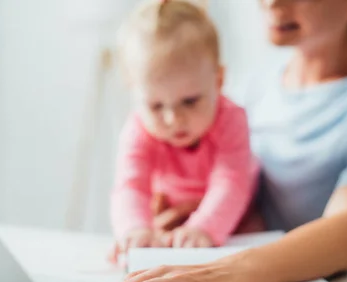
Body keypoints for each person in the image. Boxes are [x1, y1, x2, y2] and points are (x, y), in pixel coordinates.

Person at [82, 0, 347, 282]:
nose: (270, 3)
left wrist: (233, 270)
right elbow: (235, 180)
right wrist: (185, 218)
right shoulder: (263, 78)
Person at [108, 0, 259, 262]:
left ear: (219, 80)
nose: (173, 118)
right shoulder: (139, 128)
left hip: (234, 219)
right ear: (133, 92)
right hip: (175, 220)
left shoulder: (231, 119)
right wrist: (135, 229)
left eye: (189, 101)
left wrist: (203, 227)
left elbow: (231, 182)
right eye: (155, 105)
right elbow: (131, 185)